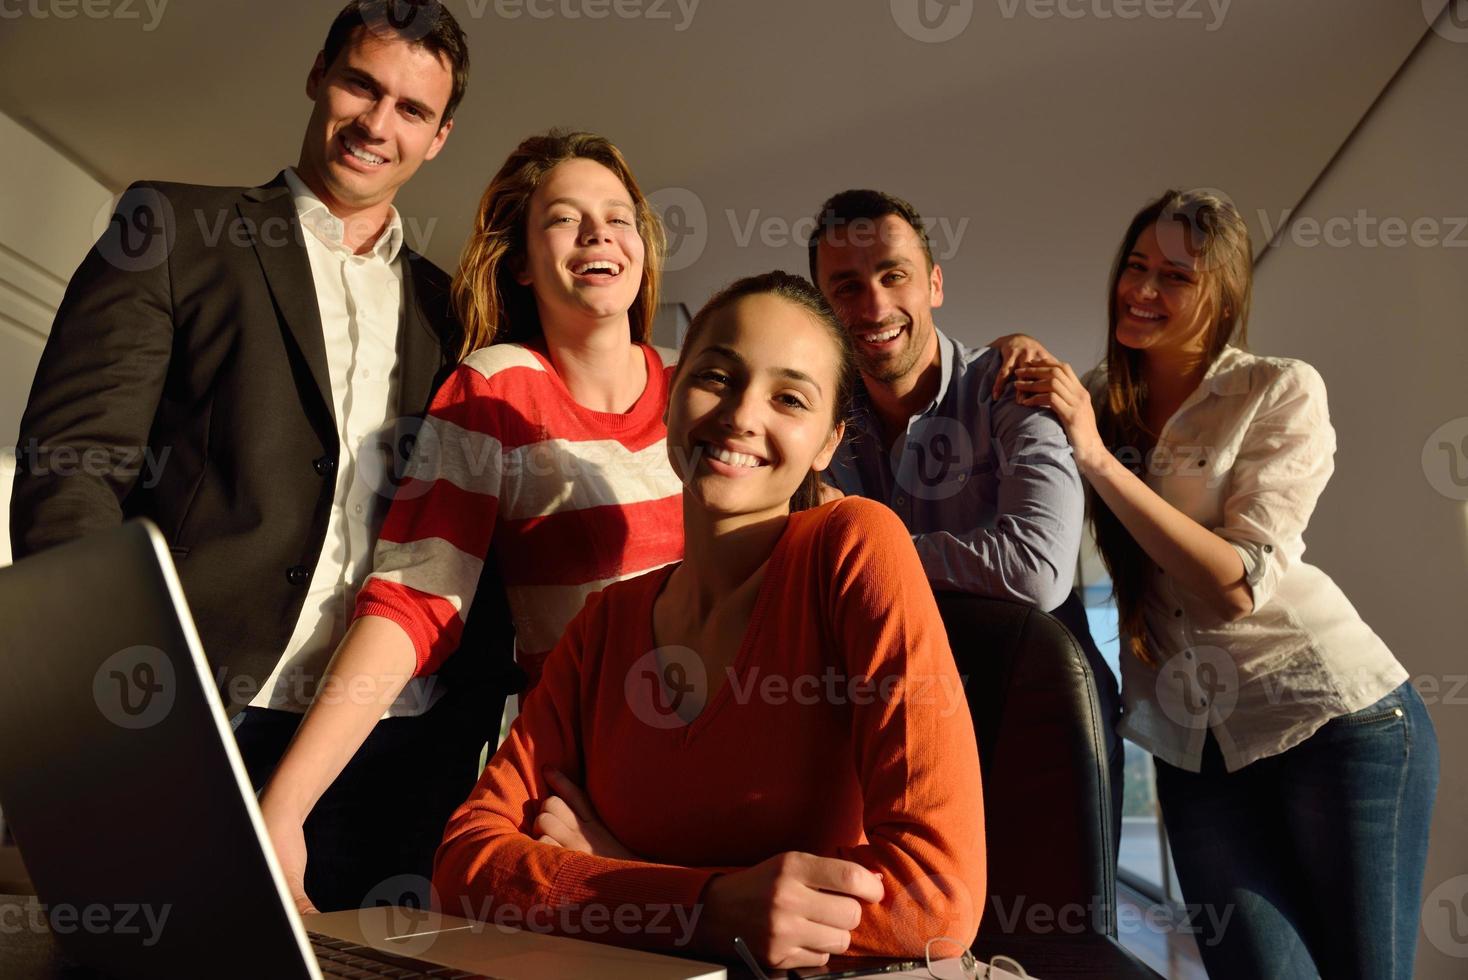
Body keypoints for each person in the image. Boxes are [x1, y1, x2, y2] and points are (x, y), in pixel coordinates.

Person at [10, 0, 477, 912]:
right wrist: (104, 695)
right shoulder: (172, 229)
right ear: (317, 75)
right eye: (361, 85)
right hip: (189, 715)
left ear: (440, 136)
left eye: (412, 110)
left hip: (386, 750)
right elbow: (73, 471)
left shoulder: (455, 310)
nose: (378, 125)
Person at [431, 272, 986, 971]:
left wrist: (620, 872)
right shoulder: (605, 624)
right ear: (669, 399)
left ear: (826, 443)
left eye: (789, 397)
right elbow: (464, 865)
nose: (742, 415)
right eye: (718, 377)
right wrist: (707, 908)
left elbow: (934, 900)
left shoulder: (853, 545)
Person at [1012, 188, 1438, 978]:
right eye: (1135, 267)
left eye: (1175, 276)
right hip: (1190, 744)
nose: (1141, 291)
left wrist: (1098, 457)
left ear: (1224, 295)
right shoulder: (1103, 402)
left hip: (1332, 720)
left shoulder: (1278, 389)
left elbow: (1236, 585)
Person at [260, 130, 686, 913]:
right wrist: (283, 811)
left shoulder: (702, 387)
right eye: (564, 218)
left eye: (618, 216)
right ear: (522, 261)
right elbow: (416, 600)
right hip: (595, 794)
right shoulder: (493, 389)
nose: (598, 233)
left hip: (734, 766)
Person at [806, 189, 1122, 849]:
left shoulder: (1015, 386)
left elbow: (1036, 571)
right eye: (846, 287)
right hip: (893, 729)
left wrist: (871, 553)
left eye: (894, 275)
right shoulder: (822, 425)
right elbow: (809, 577)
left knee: (1052, 942)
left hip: (1035, 720)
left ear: (935, 284)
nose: (874, 305)